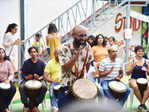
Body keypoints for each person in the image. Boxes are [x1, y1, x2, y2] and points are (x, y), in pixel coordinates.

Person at [57, 25, 94, 111]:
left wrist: (82, 79)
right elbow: (65, 68)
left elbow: (88, 64)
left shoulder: (88, 47)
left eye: (85, 35)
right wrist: (77, 55)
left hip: (80, 87)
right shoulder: (64, 48)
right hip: (66, 86)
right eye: (81, 35)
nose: (84, 38)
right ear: (73, 35)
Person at [19, 47, 47, 112]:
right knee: (21, 87)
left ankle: (35, 105)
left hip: (39, 80)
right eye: (31, 52)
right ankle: (26, 105)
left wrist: (40, 78)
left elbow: (45, 74)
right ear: (29, 54)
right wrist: (26, 77)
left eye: (34, 52)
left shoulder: (42, 62)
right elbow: (22, 73)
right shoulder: (26, 62)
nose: (33, 53)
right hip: (27, 80)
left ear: (37, 53)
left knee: (44, 87)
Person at [126, 45, 149, 111]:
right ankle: (143, 105)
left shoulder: (146, 61)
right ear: (136, 52)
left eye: (142, 51)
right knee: (135, 87)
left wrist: (147, 70)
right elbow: (127, 73)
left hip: (144, 79)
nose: (140, 53)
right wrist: (132, 67)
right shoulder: (132, 61)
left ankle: (142, 104)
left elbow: (148, 74)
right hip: (133, 79)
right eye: (139, 51)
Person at [44, 48, 61, 112]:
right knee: (52, 91)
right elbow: (45, 77)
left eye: (60, 53)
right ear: (54, 54)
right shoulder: (50, 63)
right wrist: (52, 81)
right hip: (55, 83)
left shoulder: (65, 61)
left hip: (65, 82)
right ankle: (55, 108)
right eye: (57, 54)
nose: (59, 55)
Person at [0, 48, 16, 112]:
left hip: (6, 81)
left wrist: (8, 80)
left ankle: (4, 107)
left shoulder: (8, 63)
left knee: (13, 89)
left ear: (4, 54)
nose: (1, 54)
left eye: (2, 52)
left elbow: (12, 73)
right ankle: (5, 108)